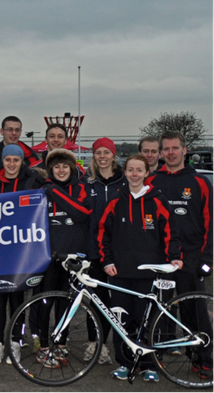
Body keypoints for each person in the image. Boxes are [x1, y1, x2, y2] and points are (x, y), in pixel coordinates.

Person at [99, 154, 182, 383]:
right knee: (122, 322)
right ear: (124, 173)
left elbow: (170, 232)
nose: (134, 174)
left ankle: (149, 365)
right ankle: (125, 363)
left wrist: (174, 257)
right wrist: (107, 261)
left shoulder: (158, 200)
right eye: (130, 170)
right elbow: (102, 233)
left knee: (147, 322)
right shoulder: (115, 201)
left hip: (149, 274)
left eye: (139, 170)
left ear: (147, 173)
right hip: (120, 273)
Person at [146, 132, 213, 379]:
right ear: (161, 153)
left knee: (195, 312)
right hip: (159, 259)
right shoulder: (151, 180)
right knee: (156, 310)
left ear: (184, 150)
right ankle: (153, 359)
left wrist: (207, 259)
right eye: (167, 149)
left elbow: (211, 223)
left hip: (191, 258)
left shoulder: (201, 182)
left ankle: (203, 359)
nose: (171, 152)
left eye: (176, 148)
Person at [0, 144, 44, 365]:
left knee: (17, 299)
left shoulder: (32, 180)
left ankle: (16, 343)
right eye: (8, 159)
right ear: (2, 160)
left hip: (21, 250)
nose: (11, 164)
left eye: (16, 160)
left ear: (22, 162)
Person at [37, 149, 92, 368]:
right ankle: (43, 346)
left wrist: (55, 193)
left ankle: (60, 342)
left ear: (71, 168)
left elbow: (82, 213)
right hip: (48, 257)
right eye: (57, 167)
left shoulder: (80, 188)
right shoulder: (42, 190)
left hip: (72, 257)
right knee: (44, 302)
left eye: (65, 166)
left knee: (66, 302)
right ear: (51, 169)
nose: (61, 170)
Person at [82, 137, 124, 365]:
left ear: (114, 156)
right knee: (96, 301)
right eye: (98, 153)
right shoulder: (85, 182)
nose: (102, 157)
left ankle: (123, 345)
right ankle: (96, 345)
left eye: (106, 152)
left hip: (121, 253)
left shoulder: (126, 182)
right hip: (93, 252)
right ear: (94, 156)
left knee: (120, 302)